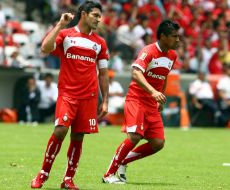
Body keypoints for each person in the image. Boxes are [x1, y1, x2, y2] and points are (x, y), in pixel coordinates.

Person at [31, 1, 109, 189]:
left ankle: (68, 179)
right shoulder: (66, 35)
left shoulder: (100, 43)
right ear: (83, 14)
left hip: (89, 97)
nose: (99, 19)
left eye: (100, 16)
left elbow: (103, 73)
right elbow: (45, 48)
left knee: (78, 136)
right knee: (60, 130)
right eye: (95, 15)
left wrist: (105, 100)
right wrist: (60, 25)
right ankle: (43, 174)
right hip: (68, 93)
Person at [102, 20, 180, 184]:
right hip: (136, 99)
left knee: (158, 143)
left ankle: (124, 160)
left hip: (152, 103)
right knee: (135, 136)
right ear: (163, 36)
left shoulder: (172, 56)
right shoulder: (148, 51)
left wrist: (160, 97)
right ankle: (108, 174)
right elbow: (136, 73)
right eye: (174, 36)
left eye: (178, 36)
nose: (178, 40)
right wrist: (153, 91)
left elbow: (163, 77)